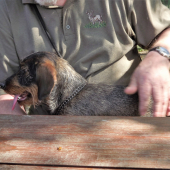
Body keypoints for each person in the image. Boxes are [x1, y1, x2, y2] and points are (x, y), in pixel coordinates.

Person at [0, 0, 170, 117]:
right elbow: (5, 97)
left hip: (134, 121)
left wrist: (159, 57)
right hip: (49, 133)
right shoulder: (6, 8)